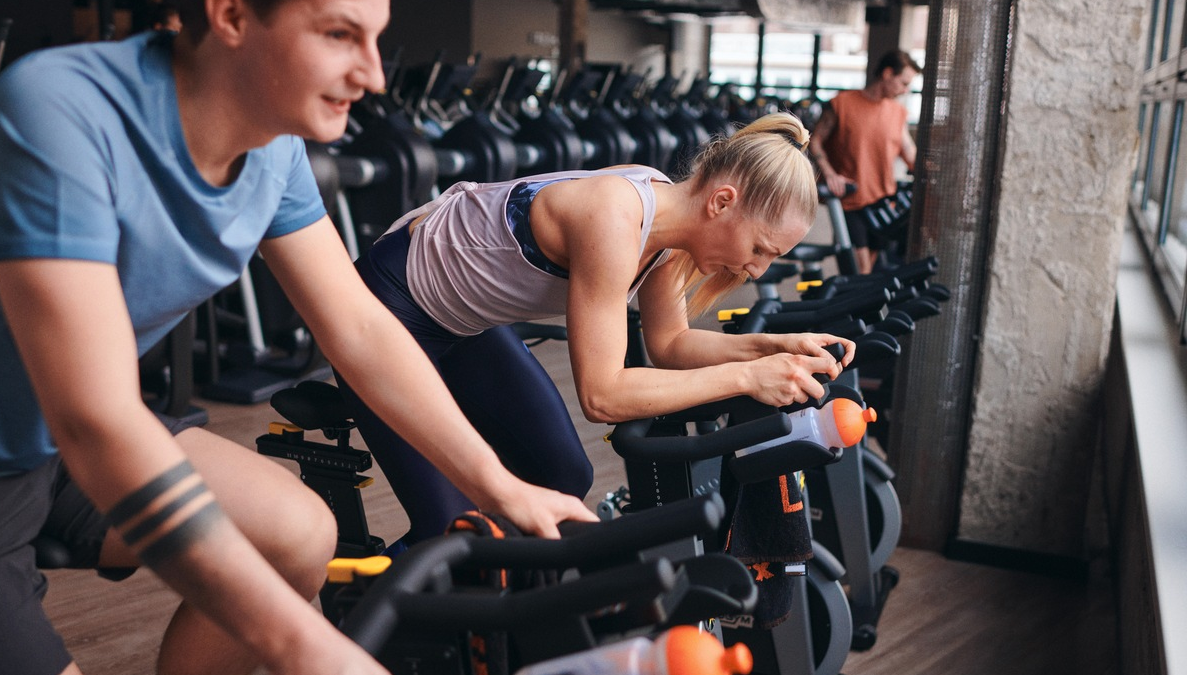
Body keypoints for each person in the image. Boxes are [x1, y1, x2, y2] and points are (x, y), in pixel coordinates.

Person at [0, 1, 594, 674]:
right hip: (24, 449)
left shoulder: (273, 150)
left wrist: (497, 484)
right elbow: (93, 418)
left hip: (61, 441)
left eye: (376, 39)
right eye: (339, 34)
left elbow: (359, 327)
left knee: (299, 534)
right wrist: (307, 647)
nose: (373, 75)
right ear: (232, 16)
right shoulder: (61, 108)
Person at [340, 111, 857, 546]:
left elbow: (671, 344)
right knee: (450, 531)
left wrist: (774, 348)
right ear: (721, 203)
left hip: (463, 326)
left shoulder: (669, 233)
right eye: (761, 249)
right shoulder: (615, 215)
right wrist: (748, 378)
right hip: (388, 308)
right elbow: (603, 396)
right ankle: (370, 627)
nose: (759, 269)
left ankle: (494, 613)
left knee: (564, 477)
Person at [810, 49, 920, 275]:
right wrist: (830, 174)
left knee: (869, 277)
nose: (905, 90)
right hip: (851, 201)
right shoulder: (842, 103)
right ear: (888, 74)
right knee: (859, 271)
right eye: (904, 83)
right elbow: (815, 141)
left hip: (883, 203)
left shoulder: (898, 113)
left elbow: (909, 153)